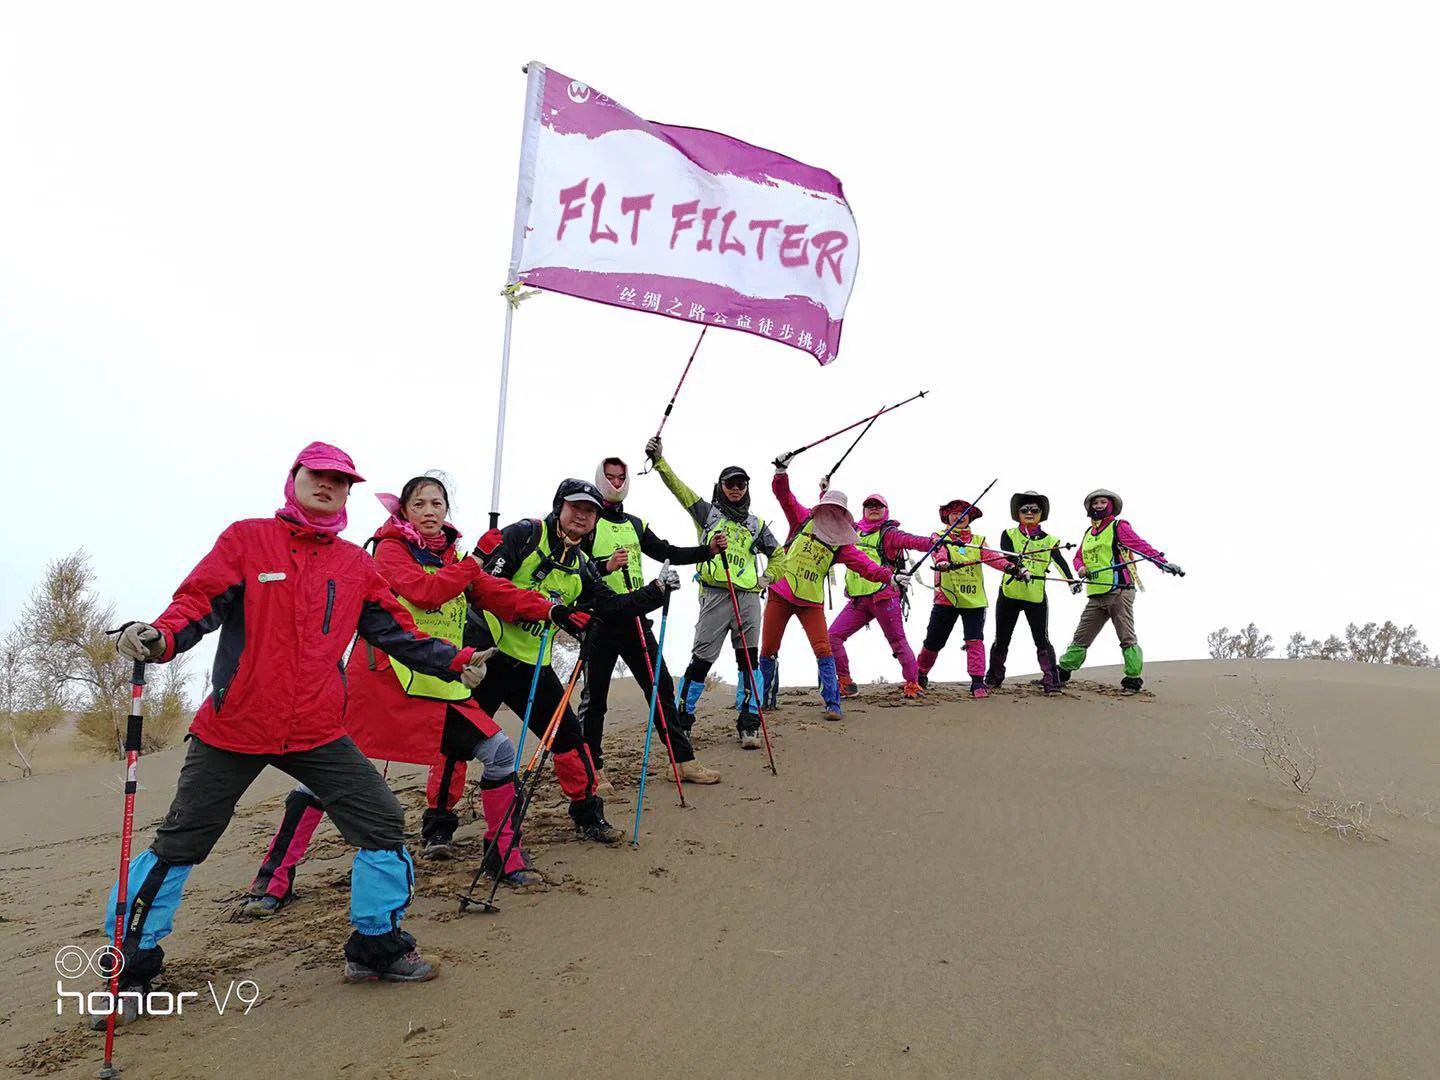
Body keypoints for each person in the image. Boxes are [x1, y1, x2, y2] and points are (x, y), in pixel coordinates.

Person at [98, 443, 491, 1022]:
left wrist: (454, 661)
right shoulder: (247, 539)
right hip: (234, 726)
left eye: (341, 481)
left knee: (381, 819)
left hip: (315, 728)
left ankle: (375, 950)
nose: (328, 487)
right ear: (295, 479)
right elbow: (197, 603)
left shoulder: (356, 565)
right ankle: (129, 968)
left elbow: (397, 632)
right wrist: (160, 638)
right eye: (319, 477)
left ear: (350, 493)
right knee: (181, 842)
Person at [240, 474, 591, 919]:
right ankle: (273, 878)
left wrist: (551, 609)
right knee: (321, 775)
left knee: (499, 752)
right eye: (420, 503)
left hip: (442, 683)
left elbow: (495, 592)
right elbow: (423, 594)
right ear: (404, 511)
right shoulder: (388, 550)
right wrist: (478, 559)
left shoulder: (456, 557)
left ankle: (504, 856)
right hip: (383, 685)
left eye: (437, 503)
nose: (430, 511)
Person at [471, 479, 681, 843]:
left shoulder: (583, 566)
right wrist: (552, 612)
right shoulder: (523, 535)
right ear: (559, 507)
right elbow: (483, 588)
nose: (582, 516)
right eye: (575, 508)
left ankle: (587, 814)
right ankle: (438, 827)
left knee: (570, 739)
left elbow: (613, 606)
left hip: (533, 667)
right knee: (457, 742)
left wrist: (656, 592)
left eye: (591, 511)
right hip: (485, 660)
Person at [578, 456, 725, 787]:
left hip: (635, 620)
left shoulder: (634, 524)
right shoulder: (587, 522)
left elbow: (667, 551)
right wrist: (604, 565)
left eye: (620, 477)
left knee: (661, 688)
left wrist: (708, 551)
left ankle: (683, 761)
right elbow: (575, 568)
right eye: (610, 477)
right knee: (595, 698)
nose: (616, 483)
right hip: (598, 620)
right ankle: (593, 768)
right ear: (600, 479)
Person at [647, 435, 779, 750]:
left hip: (747, 598)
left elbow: (779, 553)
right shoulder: (708, 513)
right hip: (715, 595)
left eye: (742, 484)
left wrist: (767, 579)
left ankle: (749, 725)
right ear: (720, 486)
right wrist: (660, 462)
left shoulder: (756, 525)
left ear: (747, 488)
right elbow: (679, 490)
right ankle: (683, 719)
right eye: (730, 483)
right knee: (701, 660)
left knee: (749, 662)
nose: (736, 489)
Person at [761, 454, 893, 721]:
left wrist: (889, 577)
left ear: (843, 515)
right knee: (769, 648)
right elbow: (784, 496)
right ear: (822, 507)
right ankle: (766, 699)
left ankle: (833, 703)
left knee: (823, 649)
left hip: (812, 601)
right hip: (781, 593)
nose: (832, 514)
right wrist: (781, 471)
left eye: (837, 511)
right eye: (829, 508)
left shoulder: (842, 544)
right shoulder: (802, 519)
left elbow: (866, 565)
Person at [1057, 488, 1183, 694]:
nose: (1098, 505)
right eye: (1094, 502)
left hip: (1119, 591)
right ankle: (1062, 672)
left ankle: (1133, 679)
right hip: (1096, 594)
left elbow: (1140, 546)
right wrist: (1080, 567)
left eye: (1102, 502)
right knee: (1081, 636)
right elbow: (1078, 556)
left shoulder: (1119, 526)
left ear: (1111, 505)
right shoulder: (1088, 533)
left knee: (1126, 636)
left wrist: (1163, 564)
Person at [916, 498, 1030, 699]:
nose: (958, 516)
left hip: (974, 600)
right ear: (946, 517)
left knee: (975, 640)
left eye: (963, 512)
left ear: (969, 517)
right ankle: (921, 673)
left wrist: (1012, 568)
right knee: (934, 641)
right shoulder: (939, 536)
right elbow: (939, 552)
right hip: (946, 599)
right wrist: (942, 562)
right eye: (953, 513)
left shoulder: (978, 541)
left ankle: (977, 681)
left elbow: (993, 557)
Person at [827, 494, 934, 700]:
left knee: (897, 641)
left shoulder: (889, 533)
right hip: (858, 600)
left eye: (878, 506)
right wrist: (824, 493)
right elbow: (831, 519)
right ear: (863, 510)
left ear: (886, 510)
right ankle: (845, 682)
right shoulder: (852, 530)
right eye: (869, 506)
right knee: (833, 636)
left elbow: (911, 541)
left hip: (884, 597)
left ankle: (913, 684)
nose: (873, 509)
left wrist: (934, 542)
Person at [984, 491, 1075, 694]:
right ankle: (993, 678)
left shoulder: (1050, 540)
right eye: (1025, 509)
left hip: (1036, 597)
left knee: (1042, 639)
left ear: (1041, 513)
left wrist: (1071, 581)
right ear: (1018, 513)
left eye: (1035, 509)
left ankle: (1052, 682)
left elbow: (1060, 562)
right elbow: (1008, 556)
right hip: (1009, 594)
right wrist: (1020, 568)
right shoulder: (1009, 534)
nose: (1030, 512)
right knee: (1002, 638)